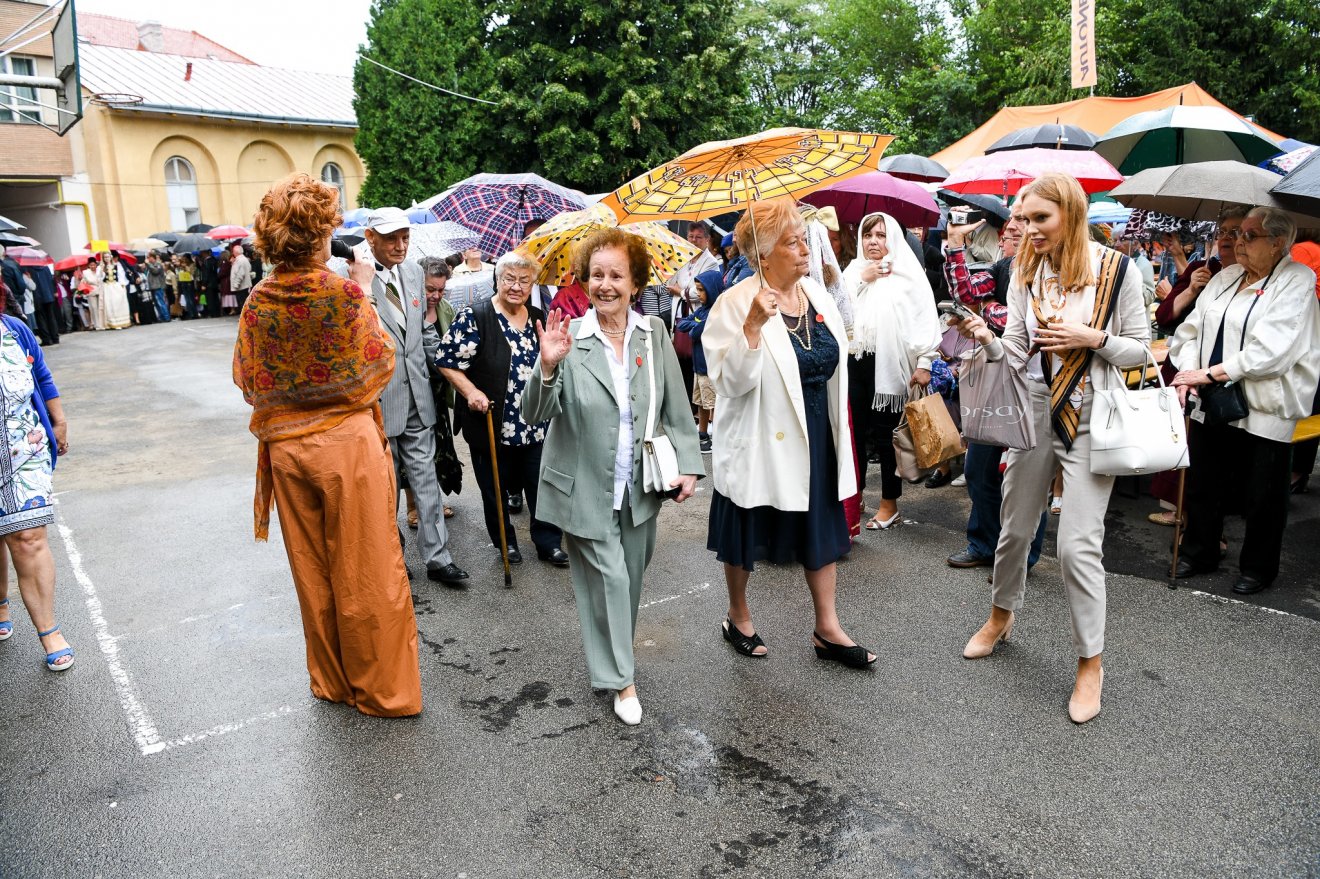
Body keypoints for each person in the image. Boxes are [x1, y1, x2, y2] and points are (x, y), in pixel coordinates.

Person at [953, 172, 1148, 724]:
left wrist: (1094, 339)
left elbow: (1141, 351)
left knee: (1076, 547)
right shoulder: (1025, 271)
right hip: (1036, 409)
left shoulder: (1116, 270)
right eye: (1024, 219)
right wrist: (985, 339)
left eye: (1041, 218)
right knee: (1014, 528)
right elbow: (1016, 348)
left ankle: (1091, 664)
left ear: (1071, 214)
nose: (1029, 229)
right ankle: (1000, 614)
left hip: (1095, 417)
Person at [233, 172, 421, 717]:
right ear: (319, 235)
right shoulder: (341, 292)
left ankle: (333, 681)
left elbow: (247, 379)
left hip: (286, 451)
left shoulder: (258, 300)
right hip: (346, 446)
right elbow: (380, 360)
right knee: (366, 568)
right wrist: (360, 289)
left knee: (312, 570)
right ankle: (383, 690)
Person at [523, 228, 703, 725]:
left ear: (635, 282)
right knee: (611, 577)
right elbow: (535, 412)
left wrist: (689, 464)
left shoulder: (654, 334)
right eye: (597, 274)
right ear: (585, 280)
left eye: (616, 275)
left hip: (639, 485)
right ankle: (622, 680)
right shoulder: (569, 338)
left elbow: (675, 406)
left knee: (630, 581)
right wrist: (547, 366)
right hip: (581, 488)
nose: (605, 285)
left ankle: (612, 660)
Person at [702, 199, 875, 669]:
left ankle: (827, 628)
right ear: (762, 255)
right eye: (792, 241)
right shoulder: (733, 304)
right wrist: (753, 327)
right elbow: (730, 383)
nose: (805, 248)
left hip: (817, 431)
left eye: (805, 238)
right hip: (761, 438)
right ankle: (737, 615)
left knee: (820, 523)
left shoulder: (815, 295)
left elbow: (837, 354)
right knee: (747, 523)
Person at [1169, 206, 1320, 595]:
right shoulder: (1227, 276)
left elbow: (1273, 349)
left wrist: (1210, 373)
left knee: (1263, 493)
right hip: (1210, 396)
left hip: (1264, 403)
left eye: (1250, 236)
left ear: (1278, 243)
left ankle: (1258, 567)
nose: (1239, 242)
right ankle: (1199, 551)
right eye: (1237, 234)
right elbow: (1189, 332)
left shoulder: (1296, 279)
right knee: (1205, 481)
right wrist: (1189, 372)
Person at [438, 250, 568, 568]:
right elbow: (446, 360)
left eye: (524, 280)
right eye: (509, 278)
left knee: (541, 486)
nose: (516, 286)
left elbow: (552, 365)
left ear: (532, 284)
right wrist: (471, 391)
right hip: (490, 422)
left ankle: (548, 541)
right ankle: (506, 542)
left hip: (535, 423)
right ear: (497, 280)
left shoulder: (539, 317)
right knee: (494, 490)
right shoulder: (476, 316)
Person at [363, 207, 469, 587]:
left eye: (405, 237)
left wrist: (448, 364)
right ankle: (393, 562)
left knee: (427, 485)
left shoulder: (413, 273)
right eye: (391, 238)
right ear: (370, 237)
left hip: (418, 398)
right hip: (377, 403)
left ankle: (438, 558)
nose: (400, 245)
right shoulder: (354, 278)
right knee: (386, 491)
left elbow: (421, 333)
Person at [942, 211, 1049, 571]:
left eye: (1029, 218)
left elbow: (1031, 329)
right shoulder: (1004, 268)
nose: (1017, 226)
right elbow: (965, 292)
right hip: (996, 379)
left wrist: (992, 311)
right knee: (978, 469)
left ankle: (1021, 556)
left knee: (1024, 479)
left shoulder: (1055, 275)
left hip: (1038, 387)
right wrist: (955, 245)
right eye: (1014, 219)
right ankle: (983, 543)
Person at [841, 211, 942, 530]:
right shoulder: (853, 270)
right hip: (854, 363)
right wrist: (863, 279)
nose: (873, 241)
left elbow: (924, 318)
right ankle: (851, 502)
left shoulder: (907, 273)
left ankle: (889, 503)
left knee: (887, 438)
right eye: (868, 235)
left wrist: (925, 362)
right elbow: (837, 309)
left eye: (881, 235)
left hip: (892, 366)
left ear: (894, 239)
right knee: (853, 435)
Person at [1146, 209, 1248, 526]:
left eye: (1236, 232)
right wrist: (1191, 288)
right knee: (1182, 439)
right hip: (1184, 370)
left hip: (1227, 376)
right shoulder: (1203, 268)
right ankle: (1181, 509)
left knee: (1217, 453)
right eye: (1222, 232)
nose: (1226, 239)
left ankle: (1210, 521)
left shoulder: (1255, 275)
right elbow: (1164, 317)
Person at [0, 275, 71, 672]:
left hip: (24, 449)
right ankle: (1, 602)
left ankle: (49, 631)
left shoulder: (14, 331)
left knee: (25, 536)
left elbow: (42, 378)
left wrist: (58, 420)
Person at [675, 269, 725, 452]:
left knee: (714, 405)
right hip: (699, 367)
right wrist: (696, 322)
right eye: (697, 290)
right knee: (701, 402)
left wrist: (695, 323)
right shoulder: (702, 311)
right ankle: (703, 434)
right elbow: (682, 325)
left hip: (709, 367)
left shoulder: (716, 312)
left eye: (702, 290)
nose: (699, 294)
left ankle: (718, 438)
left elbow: (695, 331)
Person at [27, 265, 59, 345]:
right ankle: (55, 338)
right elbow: (52, 280)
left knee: (41, 319)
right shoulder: (46, 268)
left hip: (38, 297)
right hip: (49, 295)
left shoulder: (29, 269)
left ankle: (47, 339)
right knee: (51, 317)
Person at [100, 252, 133, 329]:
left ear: (110, 257)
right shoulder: (101, 267)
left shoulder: (115, 265)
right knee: (110, 305)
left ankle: (120, 322)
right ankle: (112, 323)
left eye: (108, 257)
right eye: (105, 257)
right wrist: (102, 271)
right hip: (107, 287)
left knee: (118, 303)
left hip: (115, 285)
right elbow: (100, 278)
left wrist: (121, 285)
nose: (106, 258)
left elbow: (119, 276)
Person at [145, 252, 170, 324]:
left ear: (153, 257)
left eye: (148, 257)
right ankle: (161, 317)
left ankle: (166, 317)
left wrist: (148, 264)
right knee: (156, 303)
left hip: (158, 286)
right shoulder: (150, 265)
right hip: (152, 287)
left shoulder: (158, 265)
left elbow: (155, 271)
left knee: (161, 302)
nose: (148, 259)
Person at [231, 243, 252, 313]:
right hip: (245, 285)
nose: (232, 253)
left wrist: (236, 285)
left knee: (242, 303)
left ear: (236, 252)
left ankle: (244, 318)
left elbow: (240, 274)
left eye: (233, 251)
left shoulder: (239, 260)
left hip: (241, 286)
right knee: (244, 302)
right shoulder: (244, 259)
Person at [218, 250, 236, 315]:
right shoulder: (230, 263)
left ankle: (232, 309)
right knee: (230, 295)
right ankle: (231, 309)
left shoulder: (225, 263)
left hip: (226, 281)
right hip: (228, 280)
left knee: (228, 295)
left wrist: (219, 274)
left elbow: (222, 273)